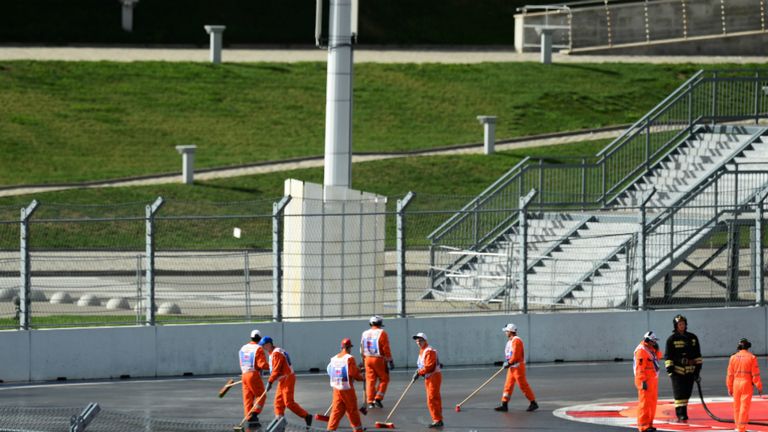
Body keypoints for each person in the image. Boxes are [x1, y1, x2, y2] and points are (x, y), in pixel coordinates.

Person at [260, 336, 312, 427]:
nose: (263, 348)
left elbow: (276, 369)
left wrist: (270, 382)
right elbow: (275, 368)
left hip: (287, 379)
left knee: (288, 402)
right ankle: (279, 419)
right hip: (283, 379)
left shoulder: (276, 354)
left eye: (263, 345)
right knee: (278, 402)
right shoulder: (274, 352)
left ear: (268, 344)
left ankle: (306, 416)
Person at [664, 314, 703, 422]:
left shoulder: (693, 338)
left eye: (683, 324)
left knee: (687, 393)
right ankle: (681, 414)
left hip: (690, 370)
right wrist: (670, 370)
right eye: (679, 324)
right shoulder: (671, 340)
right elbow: (668, 356)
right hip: (677, 371)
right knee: (679, 393)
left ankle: (683, 412)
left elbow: (698, 355)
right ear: (676, 326)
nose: (681, 326)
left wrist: (697, 371)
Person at [495, 323, 538, 413]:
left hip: (518, 367)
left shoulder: (516, 341)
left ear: (511, 331)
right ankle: (504, 404)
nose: (505, 333)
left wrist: (509, 363)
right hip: (512, 367)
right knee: (508, 385)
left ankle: (533, 403)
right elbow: (510, 355)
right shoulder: (510, 342)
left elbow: (516, 355)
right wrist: (507, 362)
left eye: (506, 331)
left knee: (523, 385)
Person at [327, 338, 365, 432]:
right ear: (349, 348)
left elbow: (331, 370)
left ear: (341, 347)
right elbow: (354, 374)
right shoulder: (349, 358)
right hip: (347, 389)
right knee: (352, 410)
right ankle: (358, 430)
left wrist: (359, 369)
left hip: (337, 389)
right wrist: (363, 378)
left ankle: (330, 429)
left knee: (336, 411)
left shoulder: (334, 358)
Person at [727, 338, 763, 432]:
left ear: (738, 347)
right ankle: (741, 428)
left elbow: (730, 374)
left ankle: (738, 426)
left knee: (737, 406)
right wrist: (759, 386)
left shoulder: (733, 357)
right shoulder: (752, 357)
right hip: (746, 384)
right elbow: (755, 374)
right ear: (748, 347)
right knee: (744, 406)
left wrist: (729, 387)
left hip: (736, 384)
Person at [239, 329, 270, 428]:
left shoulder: (243, 348)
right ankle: (254, 414)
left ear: (251, 338)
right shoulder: (258, 348)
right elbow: (262, 365)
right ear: (260, 338)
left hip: (244, 375)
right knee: (261, 395)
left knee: (248, 398)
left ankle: (250, 419)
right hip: (253, 375)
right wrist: (272, 366)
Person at [361, 315, 393, 409]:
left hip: (367, 359)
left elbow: (361, 347)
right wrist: (390, 360)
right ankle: (378, 398)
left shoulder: (365, 333)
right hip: (378, 359)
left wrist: (363, 359)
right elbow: (385, 348)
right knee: (384, 379)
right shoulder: (382, 333)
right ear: (380, 323)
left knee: (370, 380)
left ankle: (370, 401)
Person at [412, 332, 443, 428]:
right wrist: (418, 372)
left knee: (432, 399)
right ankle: (438, 419)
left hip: (433, 376)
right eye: (417, 340)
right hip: (429, 377)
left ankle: (437, 420)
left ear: (425, 340)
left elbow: (430, 367)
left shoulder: (429, 351)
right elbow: (422, 365)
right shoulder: (423, 350)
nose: (418, 342)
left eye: (420, 340)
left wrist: (419, 372)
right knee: (434, 398)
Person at [634, 331, 662, 432]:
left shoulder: (651, 348)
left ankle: (649, 424)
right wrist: (642, 381)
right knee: (644, 403)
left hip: (653, 380)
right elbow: (639, 369)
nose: (654, 342)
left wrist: (657, 349)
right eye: (653, 341)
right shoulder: (641, 351)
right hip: (645, 381)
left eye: (655, 341)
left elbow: (658, 357)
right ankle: (643, 426)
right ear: (647, 340)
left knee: (652, 403)